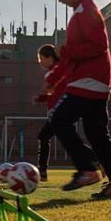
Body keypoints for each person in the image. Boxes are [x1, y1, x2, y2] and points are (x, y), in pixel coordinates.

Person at [47, 0, 111, 198]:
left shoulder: (86, 10)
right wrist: (53, 79)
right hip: (97, 81)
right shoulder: (81, 11)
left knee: (59, 120)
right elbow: (75, 54)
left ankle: (87, 168)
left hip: (90, 79)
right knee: (97, 134)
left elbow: (99, 45)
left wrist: (65, 52)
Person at [31, 44, 65, 182]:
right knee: (66, 139)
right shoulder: (55, 70)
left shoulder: (57, 70)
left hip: (60, 110)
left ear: (49, 57)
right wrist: (41, 98)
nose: (39, 62)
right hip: (59, 110)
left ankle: (42, 172)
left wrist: (43, 94)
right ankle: (95, 159)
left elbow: (58, 91)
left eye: (40, 58)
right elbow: (54, 92)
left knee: (44, 136)